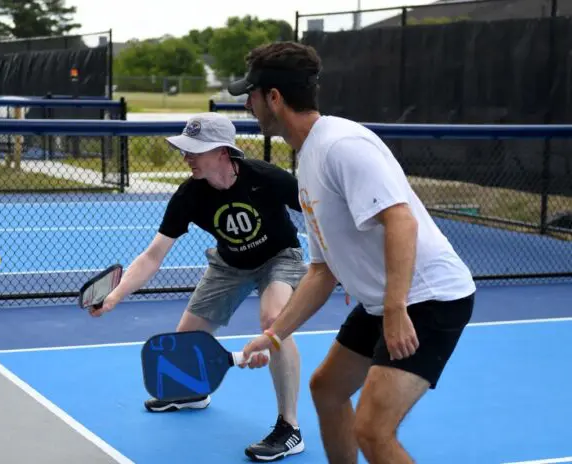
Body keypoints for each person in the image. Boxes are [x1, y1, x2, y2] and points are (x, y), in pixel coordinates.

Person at [230, 42, 476, 463]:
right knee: (326, 389)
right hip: (385, 301)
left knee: (373, 430)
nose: (248, 104)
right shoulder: (309, 156)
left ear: (274, 97)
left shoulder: (342, 145)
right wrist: (272, 337)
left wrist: (397, 309)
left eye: (251, 94)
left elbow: (401, 220)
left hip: (429, 298)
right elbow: (322, 272)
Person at [90, 112, 307, 462]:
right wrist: (115, 296)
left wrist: (339, 265)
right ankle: (194, 393)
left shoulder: (265, 177)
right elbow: (152, 256)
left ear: (223, 152)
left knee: (274, 321)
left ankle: (290, 428)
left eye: (195, 150)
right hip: (229, 265)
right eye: (185, 149)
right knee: (185, 343)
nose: (186, 156)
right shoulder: (190, 194)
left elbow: (320, 212)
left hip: (279, 257)